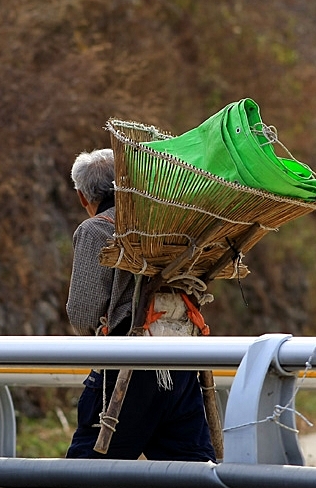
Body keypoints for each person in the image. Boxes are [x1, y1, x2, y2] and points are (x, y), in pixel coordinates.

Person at [65, 148, 216, 462]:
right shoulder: (170, 228)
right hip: (184, 364)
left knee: (86, 475)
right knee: (190, 475)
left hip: (128, 367)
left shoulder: (96, 229)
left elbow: (83, 313)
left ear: (83, 197)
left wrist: (96, 332)